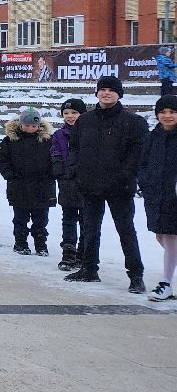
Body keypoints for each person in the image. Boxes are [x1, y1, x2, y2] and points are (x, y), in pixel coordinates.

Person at [66, 76, 148, 291]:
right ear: (97, 93)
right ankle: (89, 268)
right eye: (102, 89)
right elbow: (73, 148)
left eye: (111, 90)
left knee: (126, 231)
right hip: (90, 184)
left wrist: (123, 176)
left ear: (119, 94)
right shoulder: (85, 120)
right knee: (90, 228)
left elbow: (137, 154)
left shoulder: (134, 122)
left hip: (120, 187)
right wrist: (75, 171)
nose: (106, 93)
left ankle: (136, 276)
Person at [0, 107, 56, 256]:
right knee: (20, 218)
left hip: (42, 186)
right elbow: (2, 159)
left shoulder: (48, 140)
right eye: (27, 126)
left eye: (34, 126)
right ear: (21, 124)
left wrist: (51, 173)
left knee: (41, 220)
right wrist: (9, 175)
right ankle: (20, 242)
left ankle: (41, 244)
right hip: (19, 185)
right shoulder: (10, 140)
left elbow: (55, 159)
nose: (30, 129)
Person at [138, 95, 177, 301]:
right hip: (155, 195)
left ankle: (166, 282)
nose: (167, 116)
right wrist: (144, 183)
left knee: (170, 238)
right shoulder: (153, 137)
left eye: (172, 112)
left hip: (174, 195)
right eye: (163, 112)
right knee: (161, 236)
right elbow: (142, 163)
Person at [50, 98, 87, 271]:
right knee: (69, 218)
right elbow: (55, 151)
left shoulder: (89, 131)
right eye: (66, 113)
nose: (70, 116)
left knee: (87, 220)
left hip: (86, 181)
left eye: (74, 113)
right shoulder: (59, 134)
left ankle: (84, 253)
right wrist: (60, 171)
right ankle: (69, 251)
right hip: (67, 181)